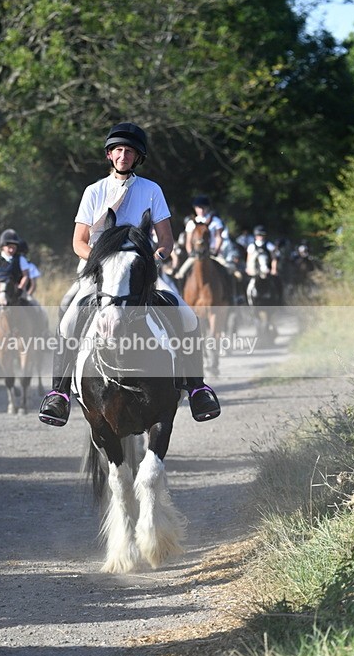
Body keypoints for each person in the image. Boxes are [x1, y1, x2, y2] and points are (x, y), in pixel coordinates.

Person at [38, 122, 221, 427]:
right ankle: (59, 393)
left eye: (129, 151)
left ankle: (197, 388)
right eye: (118, 150)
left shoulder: (151, 190)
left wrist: (152, 260)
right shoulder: (94, 191)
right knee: (68, 316)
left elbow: (166, 240)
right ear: (109, 155)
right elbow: (78, 242)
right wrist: (101, 260)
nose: (123, 155)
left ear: (138, 157)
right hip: (99, 271)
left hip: (141, 270)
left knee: (187, 316)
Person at [174, 195, 226, 281]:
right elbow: (188, 241)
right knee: (180, 274)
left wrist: (216, 250)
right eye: (199, 208)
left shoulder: (216, 221)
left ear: (207, 208)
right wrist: (190, 252)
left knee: (229, 270)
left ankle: (232, 288)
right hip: (196, 254)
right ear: (195, 208)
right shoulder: (191, 223)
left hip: (212, 253)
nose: (201, 210)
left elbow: (218, 238)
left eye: (203, 208)